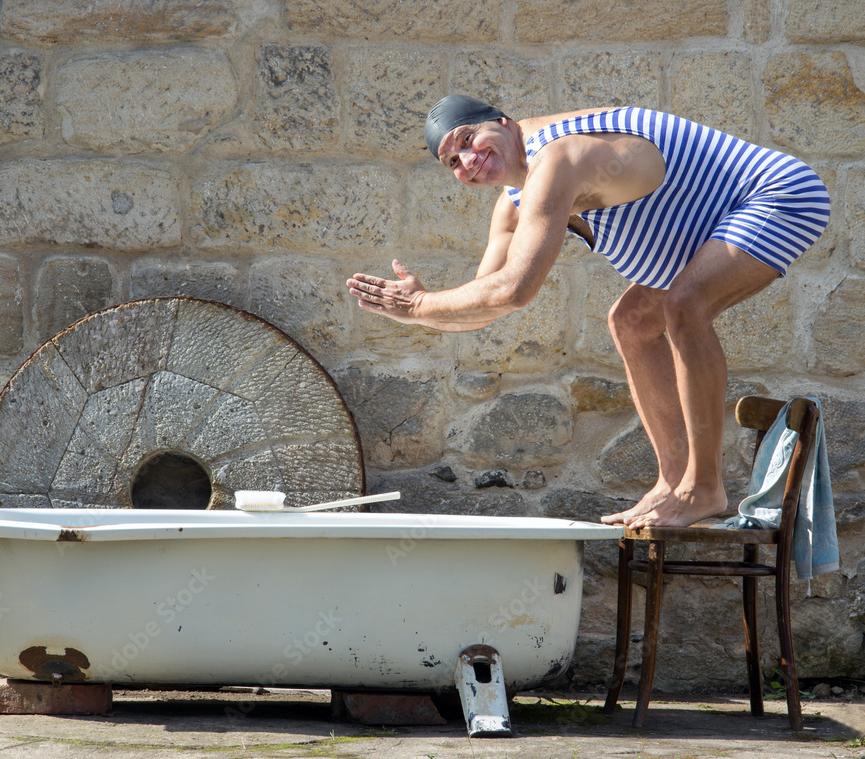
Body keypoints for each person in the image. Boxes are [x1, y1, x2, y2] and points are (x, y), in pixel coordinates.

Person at [346, 95, 831, 529]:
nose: (468, 160)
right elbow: (485, 304)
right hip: (712, 227)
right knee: (632, 323)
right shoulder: (512, 206)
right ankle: (672, 479)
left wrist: (421, 305)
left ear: (502, 120)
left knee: (685, 308)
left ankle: (703, 489)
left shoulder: (558, 157)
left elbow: (515, 290)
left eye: (469, 139)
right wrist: (413, 312)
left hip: (776, 196)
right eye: (452, 161)